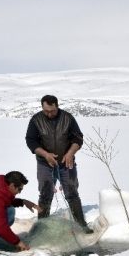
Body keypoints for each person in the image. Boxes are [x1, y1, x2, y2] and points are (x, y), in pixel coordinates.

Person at [25, 94, 92, 233]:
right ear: (42, 108)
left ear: (57, 106)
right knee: (45, 193)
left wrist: (70, 153)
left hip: (65, 161)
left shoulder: (67, 118)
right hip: (45, 162)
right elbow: (30, 141)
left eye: (52, 111)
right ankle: (42, 228)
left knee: (72, 192)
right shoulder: (36, 120)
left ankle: (82, 225)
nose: (49, 114)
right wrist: (45, 154)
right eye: (46, 111)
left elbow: (78, 138)